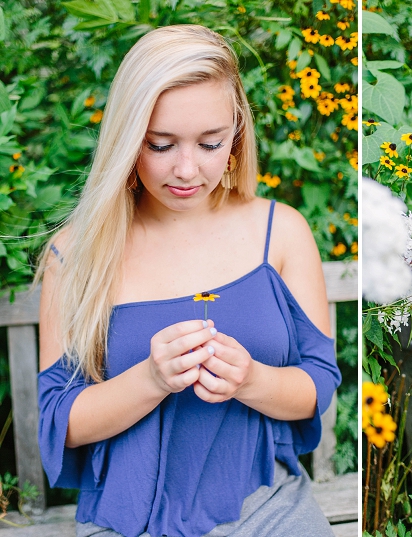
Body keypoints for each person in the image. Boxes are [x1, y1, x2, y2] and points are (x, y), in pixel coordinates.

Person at [36, 25, 341, 537]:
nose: (186, 169)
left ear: (236, 136)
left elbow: (318, 382)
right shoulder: (76, 254)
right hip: (127, 522)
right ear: (128, 141)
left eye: (209, 143)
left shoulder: (281, 231)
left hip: (264, 506)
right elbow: (57, 420)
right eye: (160, 145)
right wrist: (150, 380)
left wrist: (252, 380)